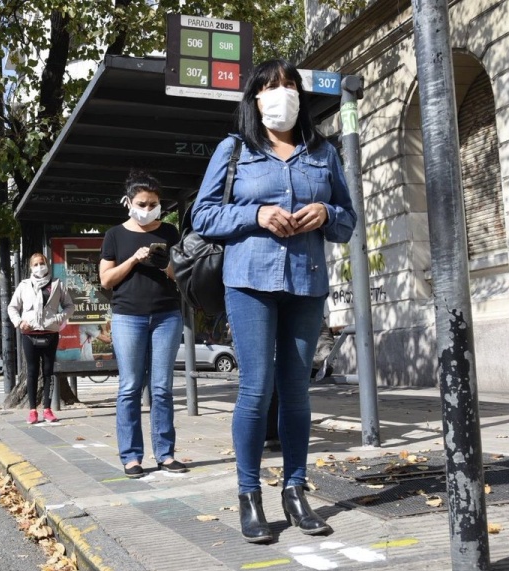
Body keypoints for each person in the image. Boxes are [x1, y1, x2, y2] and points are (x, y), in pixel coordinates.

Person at [191, 58, 356, 543]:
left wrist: (325, 210)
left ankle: (295, 489)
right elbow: (204, 216)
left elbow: (347, 222)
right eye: (269, 87)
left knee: (297, 391)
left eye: (288, 86)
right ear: (254, 98)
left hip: (306, 283)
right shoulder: (235, 149)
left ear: (300, 96)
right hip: (249, 282)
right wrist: (257, 213)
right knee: (256, 389)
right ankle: (249, 495)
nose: (280, 94)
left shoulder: (323, 152)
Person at [100, 171, 187, 479]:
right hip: (128, 317)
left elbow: (182, 275)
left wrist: (165, 264)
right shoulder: (115, 235)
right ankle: (132, 458)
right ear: (129, 202)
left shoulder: (170, 232)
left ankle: (165, 455)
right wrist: (134, 260)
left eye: (153, 203)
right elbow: (106, 279)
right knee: (130, 387)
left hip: (166, 315)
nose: (148, 208)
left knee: (162, 388)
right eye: (142, 202)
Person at [8, 253, 76, 424]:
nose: (39, 267)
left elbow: (69, 306)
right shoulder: (24, 286)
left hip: (50, 334)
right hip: (29, 335)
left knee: (48, 371)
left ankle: (47, 409)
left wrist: (59, 318)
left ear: (47, 264)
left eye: (42, 263)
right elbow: (12, 307)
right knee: (32, 372)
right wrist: (19, 322)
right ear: (31, 267)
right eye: (36, 264)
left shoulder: (56, 284)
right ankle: (32, 411)